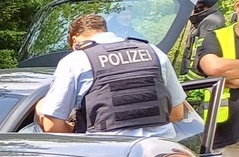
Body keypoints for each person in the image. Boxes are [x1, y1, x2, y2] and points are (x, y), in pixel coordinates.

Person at [34, 13, 189, 136]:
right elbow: (177, 112)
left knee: (42, 106)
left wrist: (75, 132)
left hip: (108, 156)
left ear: (75, 41)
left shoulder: (76, 60)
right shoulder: (154, 52)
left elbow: (51, 124)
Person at [192, 0, 239, 157]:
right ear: (237, 5)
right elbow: (212, 67)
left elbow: (221, 68)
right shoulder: (217, 37)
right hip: (227, 136)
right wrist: (221, 72)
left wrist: (229, 74)